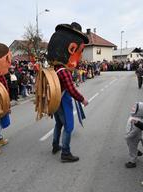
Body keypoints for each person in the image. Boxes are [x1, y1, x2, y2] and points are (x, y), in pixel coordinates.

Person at [47, 22, 88, 162]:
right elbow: (71, 89)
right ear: (71, 49)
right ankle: (65, 152)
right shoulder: (64, 71)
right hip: (63, 101)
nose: (80, 56)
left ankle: (55, 145)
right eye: (80, 51)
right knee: (69, 126)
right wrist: (82, 99)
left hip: (56, 101)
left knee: (59, 124)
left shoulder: (54, 68)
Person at [125, 102, 143, 168]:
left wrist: (128, 136)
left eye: (135, 108)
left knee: (131, 147)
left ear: (139, 111)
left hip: (132, 137)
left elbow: (135, 130)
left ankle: (133, 162)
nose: (132, 108)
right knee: (133, 146)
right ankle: (137, 151)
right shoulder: (135, 117)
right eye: (133, 107)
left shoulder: (137, 119)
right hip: (135, 135)